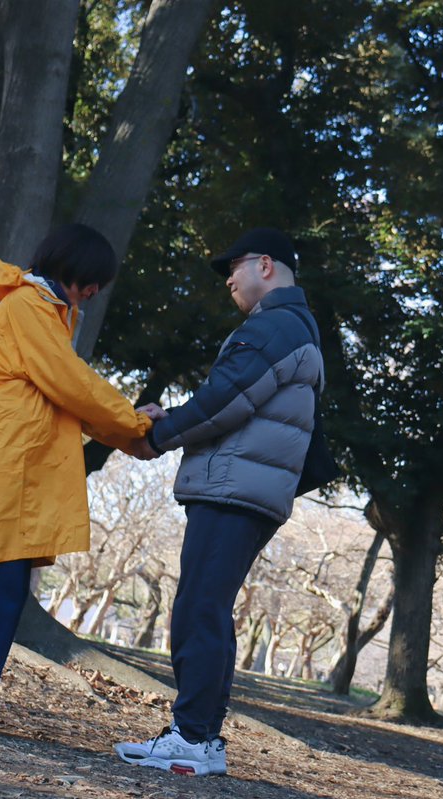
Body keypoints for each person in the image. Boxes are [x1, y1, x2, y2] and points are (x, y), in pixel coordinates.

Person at [0, 224, 157, 731]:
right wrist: (135, 424)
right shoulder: (28, 308)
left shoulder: (45, 313)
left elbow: (64, 394)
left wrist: (130, 429)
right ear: (71, 269)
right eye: (92, 280)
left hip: (15, 474)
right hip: (3, 474)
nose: (94, 291)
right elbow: (72, 384)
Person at [114, 227, 324, 777]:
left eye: (234, 267)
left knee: (198, 610)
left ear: (266, 265)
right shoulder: (292, 326)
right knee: (208, 609)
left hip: (235, 488)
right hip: (249, 488)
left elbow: (224, 400)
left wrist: (157, 435)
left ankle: (190, 736)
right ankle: (203, 740)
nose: (228, 278)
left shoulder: (275, 325)